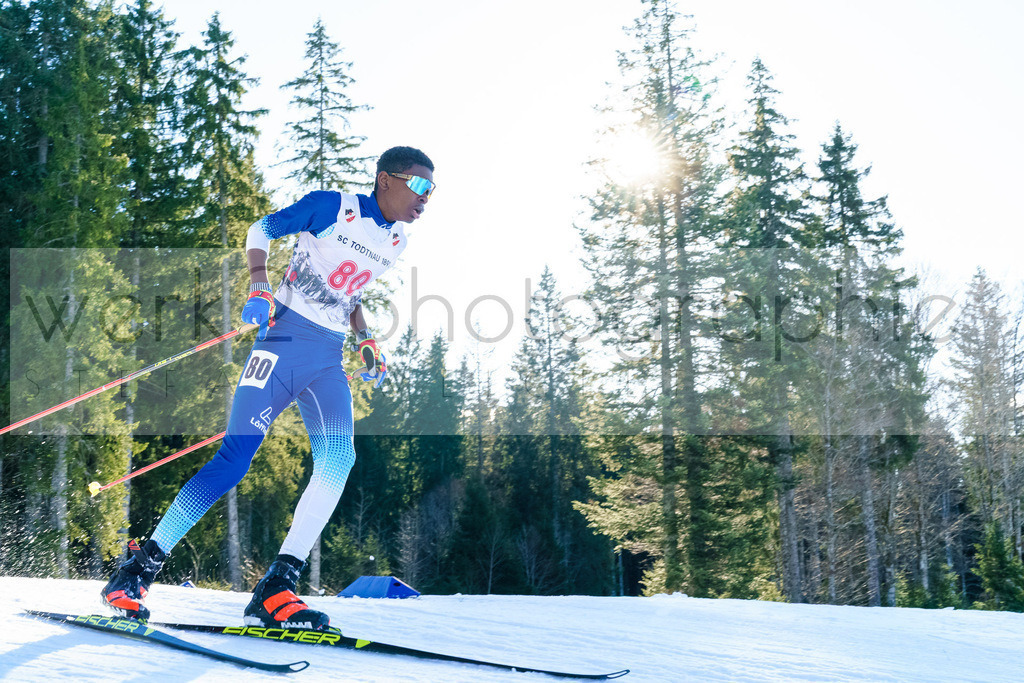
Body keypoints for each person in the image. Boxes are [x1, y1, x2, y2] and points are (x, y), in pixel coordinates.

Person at [100, 146, 435, 630]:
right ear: (386, 180)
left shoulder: (397, 241)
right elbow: (261, 229)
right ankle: (134, 575)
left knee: (339, 461)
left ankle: (277, 586)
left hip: (326, 359)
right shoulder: (332, 206)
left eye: (432, 189)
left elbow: (351, 293)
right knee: (234, 460)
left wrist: (366, 339)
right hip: (281, 343)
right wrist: (259, 283)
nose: (425, 197)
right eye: (418, 185)